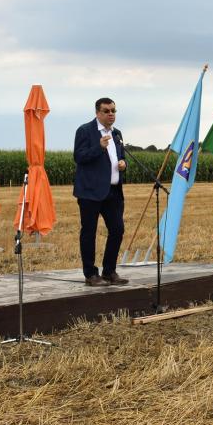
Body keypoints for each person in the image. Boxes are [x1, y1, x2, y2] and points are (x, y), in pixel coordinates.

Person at [74, 97, 129, 286]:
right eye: (106, 111)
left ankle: (109, 271)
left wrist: (123, 164)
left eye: (113, 110)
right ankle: (91, 274)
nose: (111, 114)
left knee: (117, 230)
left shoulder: (117, 134)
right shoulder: (85, 131)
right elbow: (79, 157)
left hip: (113, 192)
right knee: (89, 233)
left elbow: (120, 157)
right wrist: (99, 147)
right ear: (97, 113)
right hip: (90, 192)